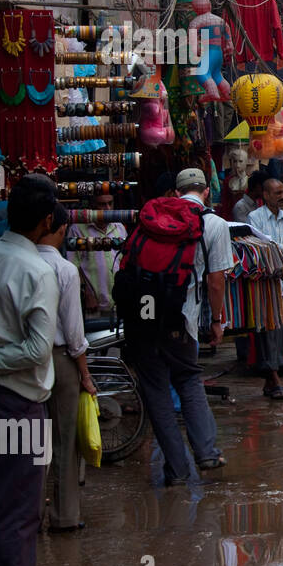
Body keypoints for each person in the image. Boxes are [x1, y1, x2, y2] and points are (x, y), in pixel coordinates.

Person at [122, 168, 230, 485]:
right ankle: (207, 453)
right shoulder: (214, 224)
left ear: (175, 191)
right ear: (205, 191)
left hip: (141, 320)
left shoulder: (152, 219)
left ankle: (177, 469)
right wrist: (217, 321)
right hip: (182, 320)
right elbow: (215, 281)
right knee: (188, 379)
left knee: (156, 393)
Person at [0, 174, 60, 566]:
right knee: (19, 511)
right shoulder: (38, 271)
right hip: (19, 401)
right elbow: (37, 350)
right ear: (46, 220)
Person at [36, 203, 97, 532]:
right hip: (60, 359)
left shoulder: (8, 260)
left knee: (28, 439)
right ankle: (64, 516)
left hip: (23, 362)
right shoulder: (63, 269)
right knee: (63, 441)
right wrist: (85, 374)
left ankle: (29, 513)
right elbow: (75, 334)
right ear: (58, 228)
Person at [247, 175, 283, 399]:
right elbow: (256, 249)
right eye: (278, 193)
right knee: (266, 333)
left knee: (280, 332)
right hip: (264, 284)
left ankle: (272, 381)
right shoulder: (254, 218)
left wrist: (276, 247)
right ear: (266, 194)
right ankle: (275, 379)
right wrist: (279, 249)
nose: (282, 196)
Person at [66, 190, 128, 321]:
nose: (107, 208)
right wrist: (87, 294)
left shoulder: (119, 227)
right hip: (94, 305)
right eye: (102, 204)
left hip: (119, 303)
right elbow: (73, 266)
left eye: (110, 203)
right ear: (93, 206)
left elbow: (125, 261)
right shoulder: (77, 229)